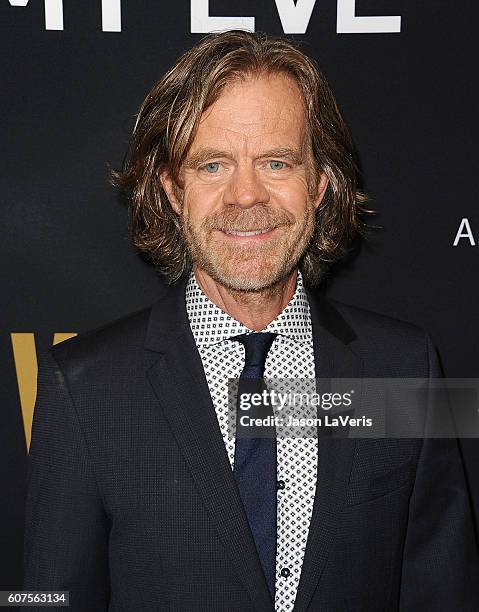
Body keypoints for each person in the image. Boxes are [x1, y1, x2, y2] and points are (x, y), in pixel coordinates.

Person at [22, 30, 478, 611]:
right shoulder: (81, 388)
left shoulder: (406, 366)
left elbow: (444, 591)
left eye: (276, 162)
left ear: (320, 185)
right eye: (213, 165)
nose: (246, 195)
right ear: (171, 189)